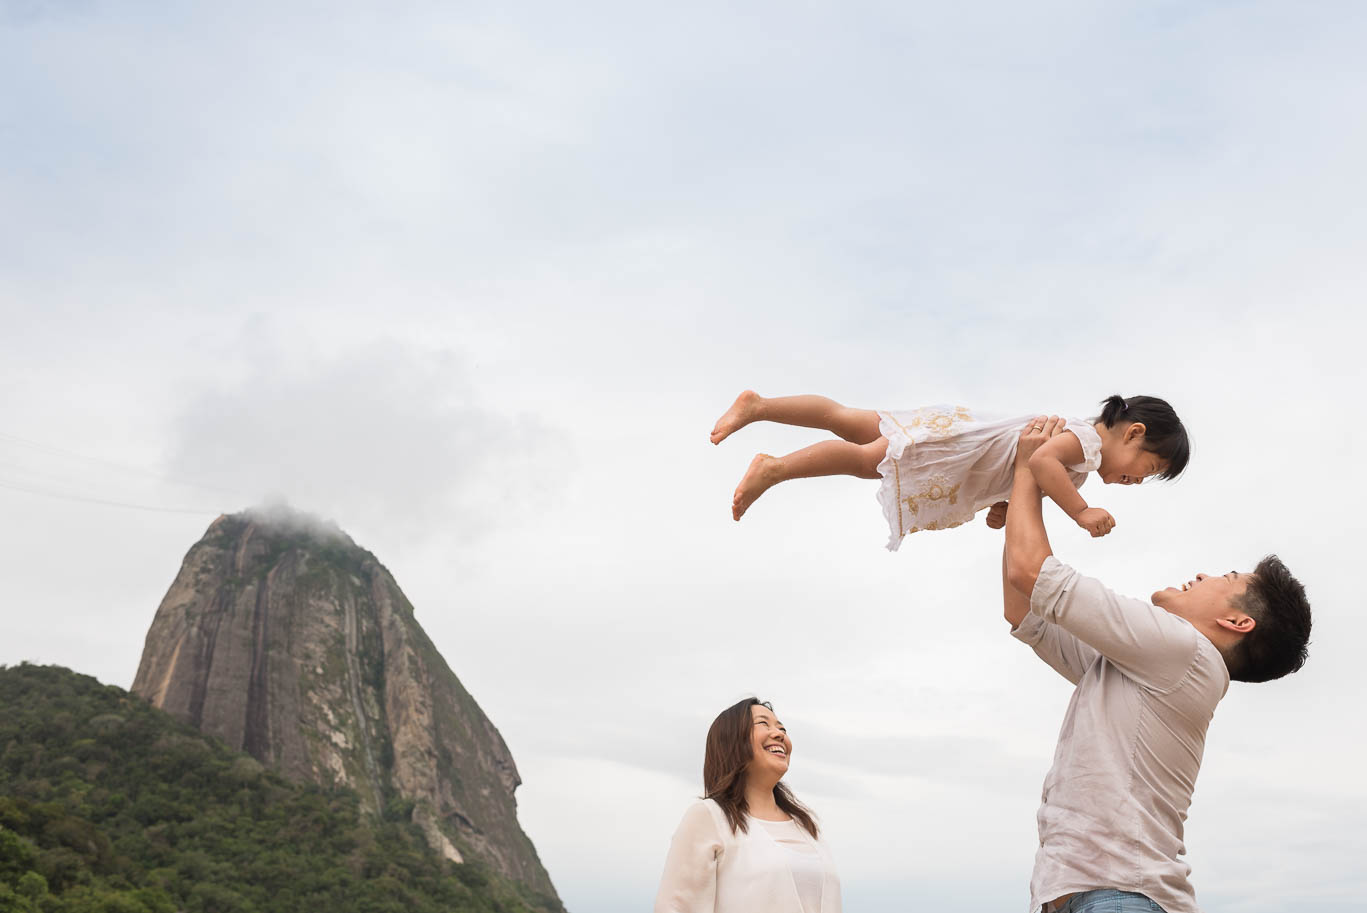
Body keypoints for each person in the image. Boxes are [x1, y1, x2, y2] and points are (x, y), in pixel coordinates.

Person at [1001, 416, 1312, 913]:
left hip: (1118, 896)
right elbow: (1024, 608)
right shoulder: (1150, 666)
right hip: (1100, 895)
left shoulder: (1182, 652)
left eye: (1226, 576)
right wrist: (1026, 483)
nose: (1203, 574)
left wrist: (1026, 469)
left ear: (1237, 621)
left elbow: (1029, 572)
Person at [710, 390, 1189, 550]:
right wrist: (1081, 513)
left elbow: (1028, 472)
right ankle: (774, 466)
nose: (1138, 481)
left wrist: (1004, 505)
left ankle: (762, 408)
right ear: (1132, 433)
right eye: (1146, 469)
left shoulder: (1079, 462)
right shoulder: (1083, 442)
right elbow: (1039, 460)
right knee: (862, 457)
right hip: (952, 450)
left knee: (852, 424)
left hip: (954, 439)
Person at [654, 698, 841, 913]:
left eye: (782, 728)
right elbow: (676, 907)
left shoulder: (806, 825)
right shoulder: (709, 816)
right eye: (763, 724)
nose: (779, 734)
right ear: (732, 741)